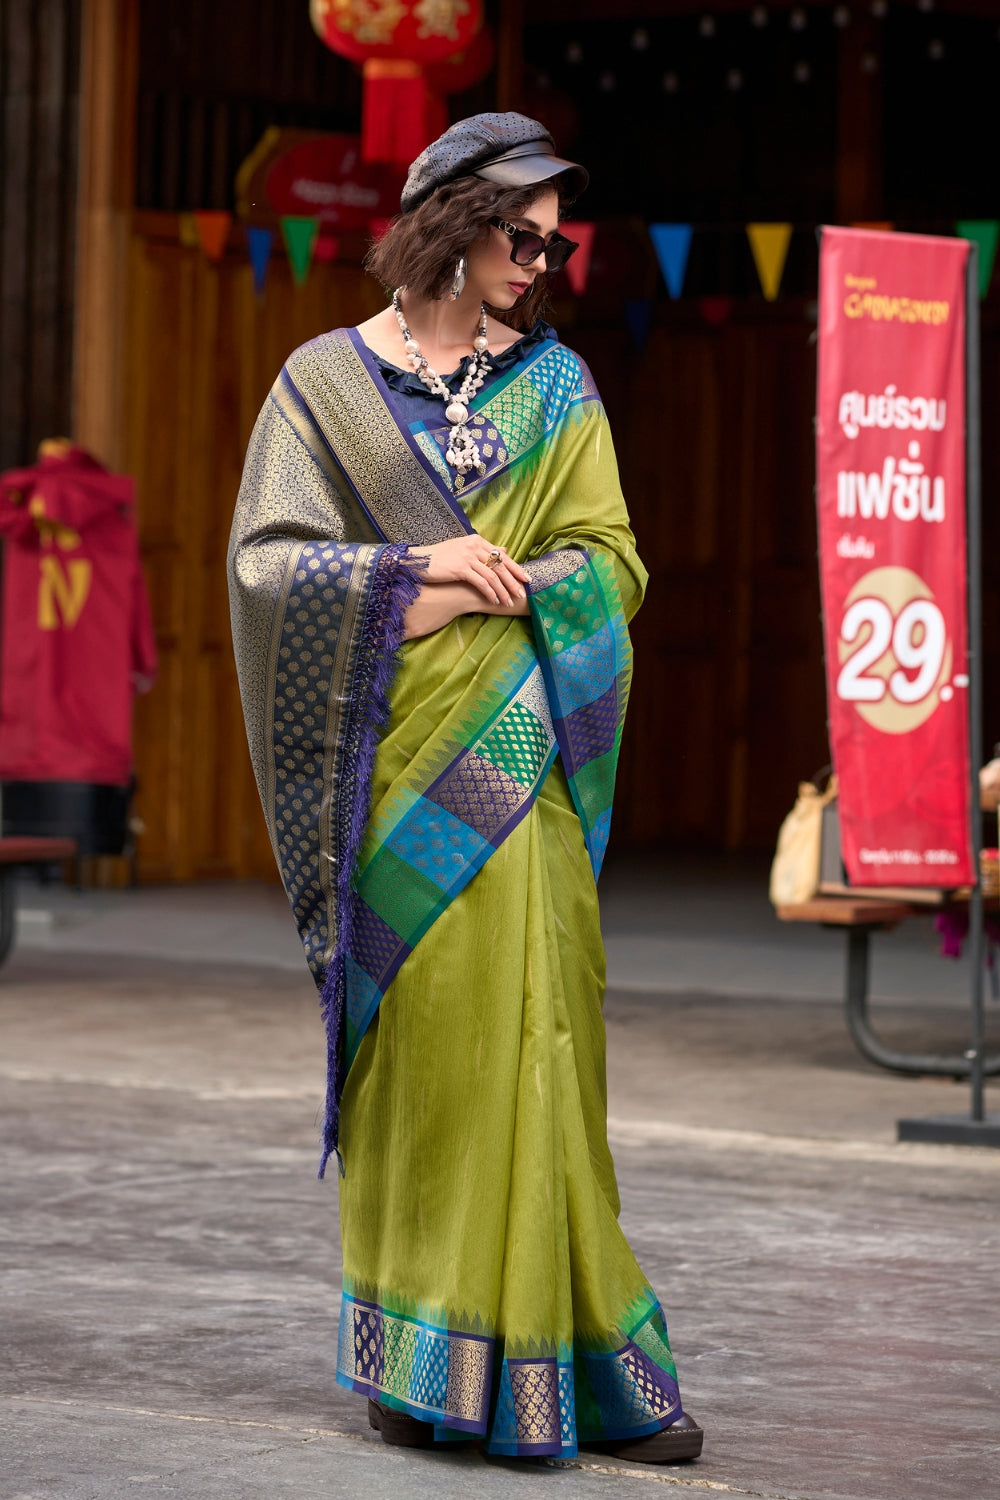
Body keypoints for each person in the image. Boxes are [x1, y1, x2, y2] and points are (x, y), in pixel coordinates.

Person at [228, 113, 703, 1464]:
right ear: (452, 220)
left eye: (554, 239)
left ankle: (586, 1362)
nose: (543, 261)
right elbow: (268, 570)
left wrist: (521, 586)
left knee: (546, 1047)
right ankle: (419, 1363)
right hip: (391, 778)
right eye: (524, 232)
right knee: (423, 1065)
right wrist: (426, 581)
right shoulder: (323, 388)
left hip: (519, 772)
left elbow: (608, 566)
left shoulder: (559, 392)